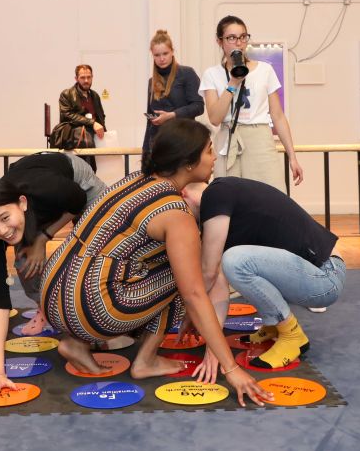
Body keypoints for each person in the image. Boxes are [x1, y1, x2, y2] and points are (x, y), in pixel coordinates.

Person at [40, 119, 273, 406]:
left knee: (157, 262)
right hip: (91, 305)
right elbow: (195, 293)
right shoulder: (175, 212)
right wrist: (232, 368)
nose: (214, 158)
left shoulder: (134, 179)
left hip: (52, 293)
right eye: (210, 151)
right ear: (188, 163)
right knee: (186, 270)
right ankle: (146, 360)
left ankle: (77, 343)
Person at [180, 177, 345, 372]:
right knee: (235, 262)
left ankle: (292, 335)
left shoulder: (215, 195)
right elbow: (217, 282)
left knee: (235, 261)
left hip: (325, 277)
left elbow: (209, 274)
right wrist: (212, 343)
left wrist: (193, 315)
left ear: (183, 195)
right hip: (317, 273)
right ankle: (273, 325)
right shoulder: (225, 198)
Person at [0, 151, 106, 337]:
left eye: (5, 218)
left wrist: (43, 238)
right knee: (26, 259)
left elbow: (78, 202)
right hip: (34, 195)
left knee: (102, 239)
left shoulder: (50, 189)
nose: (2, 230)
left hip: (76, 184)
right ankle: (45, 310)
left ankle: (102, 311)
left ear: (22, 203)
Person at [199, 15, 303, 192]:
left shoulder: (265, 70)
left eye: (243, 37)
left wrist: (292, 157)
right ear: (219, 42)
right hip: (228, 139)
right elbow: (215, 118)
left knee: (273, 195)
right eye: (231, 38)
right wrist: (232, 83)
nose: (238, 43)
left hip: (259, 138)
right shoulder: (212, 74)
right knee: (229, 198)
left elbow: (277, 115)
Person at [142, 29, 204, 160]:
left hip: (184, 141)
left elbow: (198, 106)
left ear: (172, 52)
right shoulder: (151, 82)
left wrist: (172, 115)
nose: (162, 58)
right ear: (152, 55)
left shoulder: (187, 73)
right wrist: (146, 152)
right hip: (159, 144)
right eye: (157, 55)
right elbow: (149, 121)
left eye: (165, 53)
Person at [55, 65, 106, 171]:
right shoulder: (67, 94)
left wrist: (102, 129)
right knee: (81, 170)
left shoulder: (95, 95)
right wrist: (92, 123)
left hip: (93, 137)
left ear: (92, 77)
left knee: (96, 169)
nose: (86, 80)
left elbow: (101, 116)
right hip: (74, 136)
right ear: (76, 78)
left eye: (89, 77)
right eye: (82, 77)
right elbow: (67, 115)